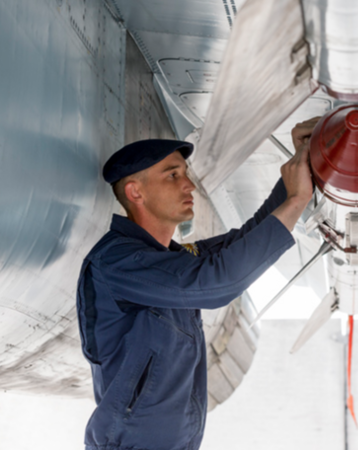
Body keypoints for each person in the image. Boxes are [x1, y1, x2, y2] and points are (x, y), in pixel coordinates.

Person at [76, 119, 318, 450]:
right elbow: (218, 284)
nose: (189, 185)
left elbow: (243, 242)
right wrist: (296, 201)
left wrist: (304, 159)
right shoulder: (117, 262)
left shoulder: (167, 260)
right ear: (135, 192)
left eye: (185, 173)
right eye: (172, 175)